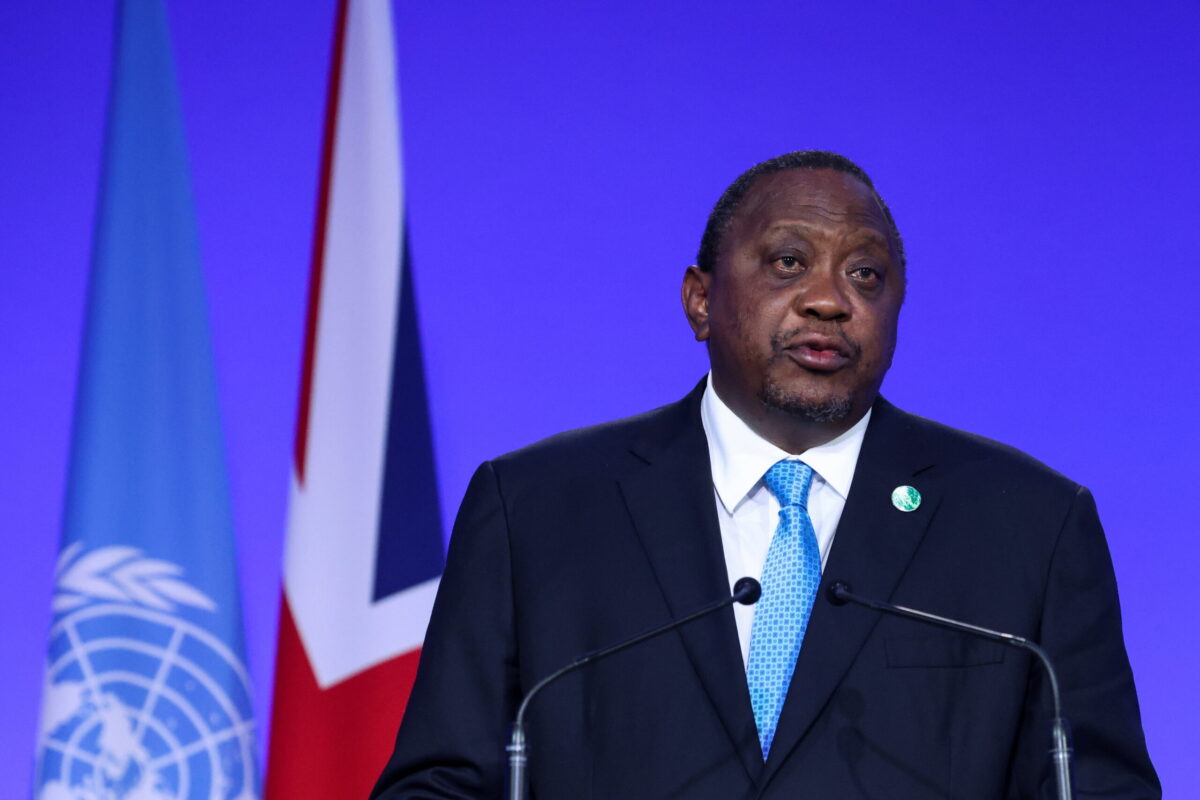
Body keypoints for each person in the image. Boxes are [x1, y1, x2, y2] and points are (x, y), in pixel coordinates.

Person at [370, 151, 1159, 799]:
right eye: (789, 262)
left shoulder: (1028, 524)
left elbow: (1095, 788)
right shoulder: (535, 510)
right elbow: (440, 785)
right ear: (701, 300)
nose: (828, 301)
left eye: (866, 277)